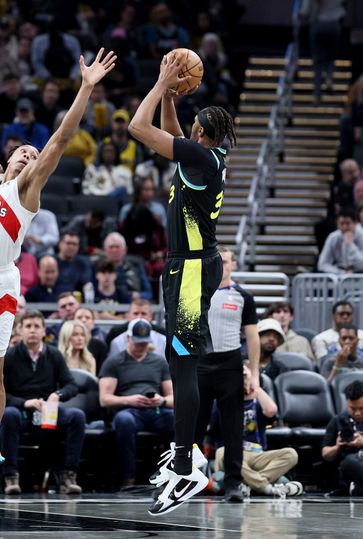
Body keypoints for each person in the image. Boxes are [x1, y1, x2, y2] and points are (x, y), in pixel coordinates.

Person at [0, 49, 116, 503]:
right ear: (10, 157)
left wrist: (86, 88)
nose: (28, 156)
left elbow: (59, 140)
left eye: (33, 155)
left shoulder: (26, 191)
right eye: (22, 152)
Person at [128, 52, 239, 514]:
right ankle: (182, 458)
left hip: (191, 269)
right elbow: (174, 133)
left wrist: (158, 84)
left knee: (182, 364)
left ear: (201, 135)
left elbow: (139, 127)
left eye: (193, 126)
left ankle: (186, 466)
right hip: (188, 267)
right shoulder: (204, 156)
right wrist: (173, 96)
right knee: (181, 358)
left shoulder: (199, 157)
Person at [192, 246, 259, 502]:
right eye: (217, 261)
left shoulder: (243, 296)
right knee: (193, 426)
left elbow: (253, 338)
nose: (221, 265)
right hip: (200, 363)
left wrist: (254, 375)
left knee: (233, 428)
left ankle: (233, 482)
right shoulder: (195, 292)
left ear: (233, 265)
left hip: (229, 363)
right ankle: (188, 479)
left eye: (226, 261)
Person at [0, 311, 85, 495]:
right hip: (21, 410)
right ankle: (11, 476)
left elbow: (71, 385)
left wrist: (58, 394)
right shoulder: (10, 356)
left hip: (48, 411)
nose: (32, 330)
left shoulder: (53, 354)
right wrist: (24, 402)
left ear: (44, 331)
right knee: (8, 415)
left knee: (76, 416)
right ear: (19, 330)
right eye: (28, 326)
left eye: (36, 326)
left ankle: (68, 477)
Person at [99, 318, 174, 488]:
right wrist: (129, 400)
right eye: (137, 342)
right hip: (129, 410)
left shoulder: (159, 361)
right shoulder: (114, 362)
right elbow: (104, 399)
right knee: (124, 421)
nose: (141, 346)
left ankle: (170, 474)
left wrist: (161, 400)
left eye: (144, 343)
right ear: (128, 338)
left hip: (155, 410)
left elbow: (172, 398)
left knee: (177, 420)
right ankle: (128, 477)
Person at [216, 363, 301, 497]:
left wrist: (254, 384)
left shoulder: (258, 402)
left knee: (291, 454)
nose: (240, 379)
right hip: (233, 454)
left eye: (243, 375)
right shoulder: (221, 402)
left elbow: (271, 411)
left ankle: (250, 485)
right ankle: (265, 487)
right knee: (222, 452)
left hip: (258, 454)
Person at [312, 301, 363, 374]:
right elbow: (323, 365)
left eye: (348, 314)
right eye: (341, 314)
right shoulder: (321, 339)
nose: (345, 317)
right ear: (333, 316)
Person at [318, 208, 363, 275]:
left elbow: (362, 265)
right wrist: (341, 272)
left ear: (355, 223)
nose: (344, 227)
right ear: (337, 224)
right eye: (341, 223)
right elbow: (322, 264)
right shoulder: (333, 237)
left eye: (347, 223)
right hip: (342, 274)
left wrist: (350, 245)